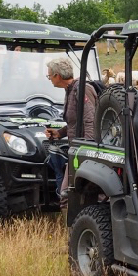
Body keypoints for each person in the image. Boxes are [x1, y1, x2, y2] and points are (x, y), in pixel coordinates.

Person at [44, 57, 99, 203]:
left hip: (83, 152)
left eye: (49, 75)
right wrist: (60, 133)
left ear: (57, 76)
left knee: (66, 195)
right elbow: (76, 122)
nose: (49, 79)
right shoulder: (70, 90)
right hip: (76, 151)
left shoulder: (82, 89)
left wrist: (86, 152)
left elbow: (90, 121)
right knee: (70, 195)